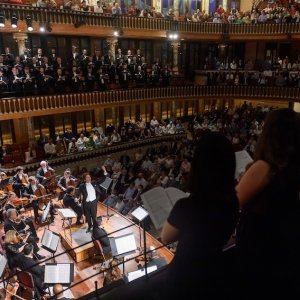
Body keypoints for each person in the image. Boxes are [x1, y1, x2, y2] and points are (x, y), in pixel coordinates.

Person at [161, 133, 239, 298]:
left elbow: (166, 238)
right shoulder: (233, 202)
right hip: (215, 275)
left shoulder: (186, 206)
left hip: (183, 280)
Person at [235, 109, 300, 299]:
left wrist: (243, 180)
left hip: (258, 249)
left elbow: (234, 202)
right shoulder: (291, 166)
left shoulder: (263, 168)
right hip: (281, 249)